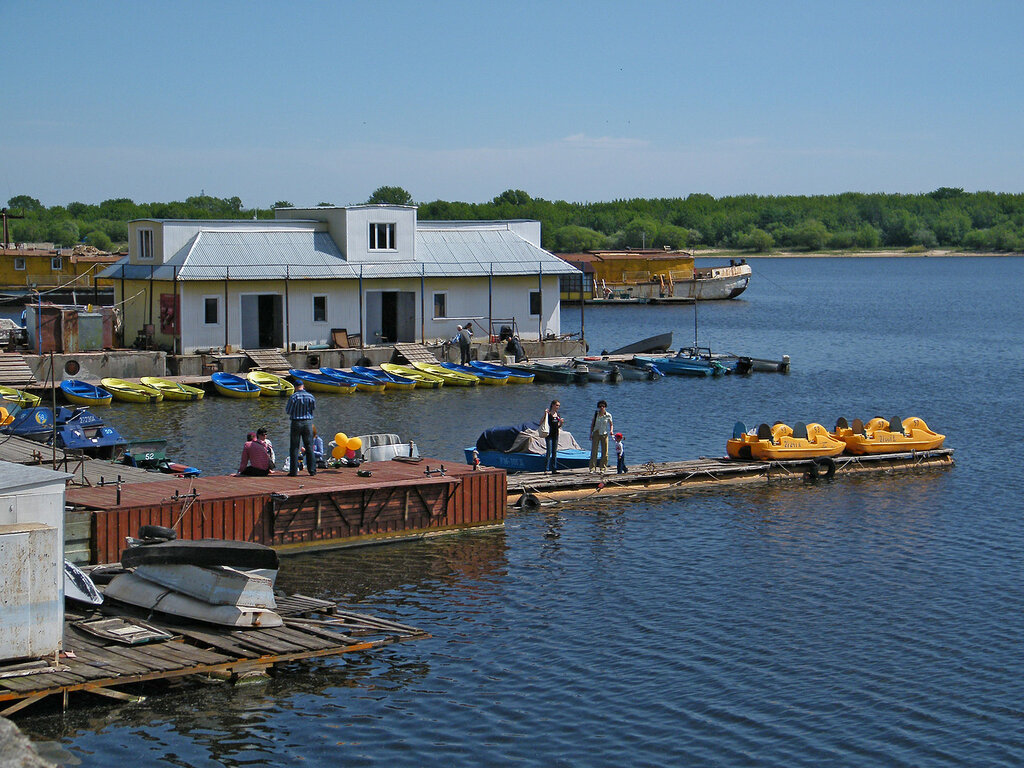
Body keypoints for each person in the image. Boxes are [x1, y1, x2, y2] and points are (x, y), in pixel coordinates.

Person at [285, 380, 317, 477]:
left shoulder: (293, 397)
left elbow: (288, 410)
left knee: (294, 447)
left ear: (295, 387)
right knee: (309, 446)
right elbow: (313, 408)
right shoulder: (311, 396)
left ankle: (294, 471)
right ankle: (312, 470)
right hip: (307, 423)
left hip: (296, 422)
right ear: (303, 386)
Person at [589, 400, 614, 472]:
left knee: (605, 452)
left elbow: (611, 424)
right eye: (600, 406)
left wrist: (611, 431)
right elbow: (592, 424)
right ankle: (592, 468)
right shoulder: (596, 414)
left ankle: (603, 468)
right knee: (594, 451)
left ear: (605, 407)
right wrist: (590, 434)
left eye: (603, 406)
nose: (602, 408)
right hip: (596, 433)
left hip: (604, 434)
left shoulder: (608, 415)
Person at [543, 400, 564, 473]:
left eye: (559, 406)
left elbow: (557, 426)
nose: (558, 407)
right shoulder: (548, 414)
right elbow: (541, 422)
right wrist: (545, 414)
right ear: (553, 405)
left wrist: (561, 423)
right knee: (548, 451)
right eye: (557, 405)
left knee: (554, 452)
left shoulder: (558, 415)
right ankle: (546, 469)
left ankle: (554, 469)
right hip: (549, 434)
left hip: (555, 434)